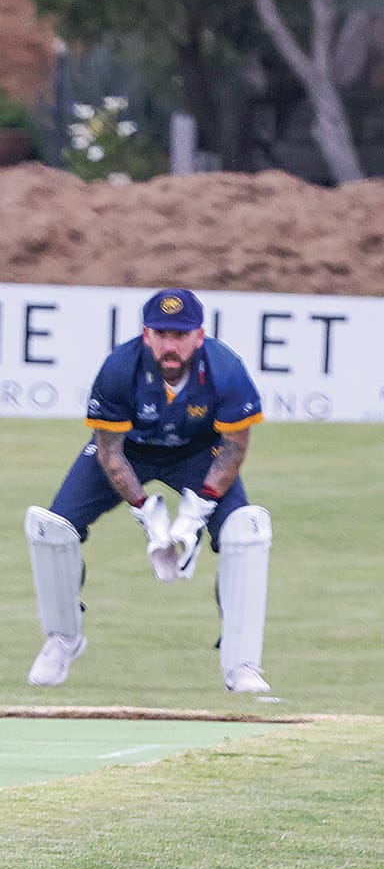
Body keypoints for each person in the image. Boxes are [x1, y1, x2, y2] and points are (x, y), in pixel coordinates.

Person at [25, 288, 271, 693]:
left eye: (180, 335)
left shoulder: (226, 369)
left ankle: (242, 664)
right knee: (51, 528)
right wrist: (147, 514)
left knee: (245, 530)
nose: (170, 345)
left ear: (199, 336)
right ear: (146, 335)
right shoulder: (120, 368)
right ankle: (64, 637)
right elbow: (109, 451)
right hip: (131, 453)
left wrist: (196, 514)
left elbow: (234, 448)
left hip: (199, 453)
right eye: (161, 334)